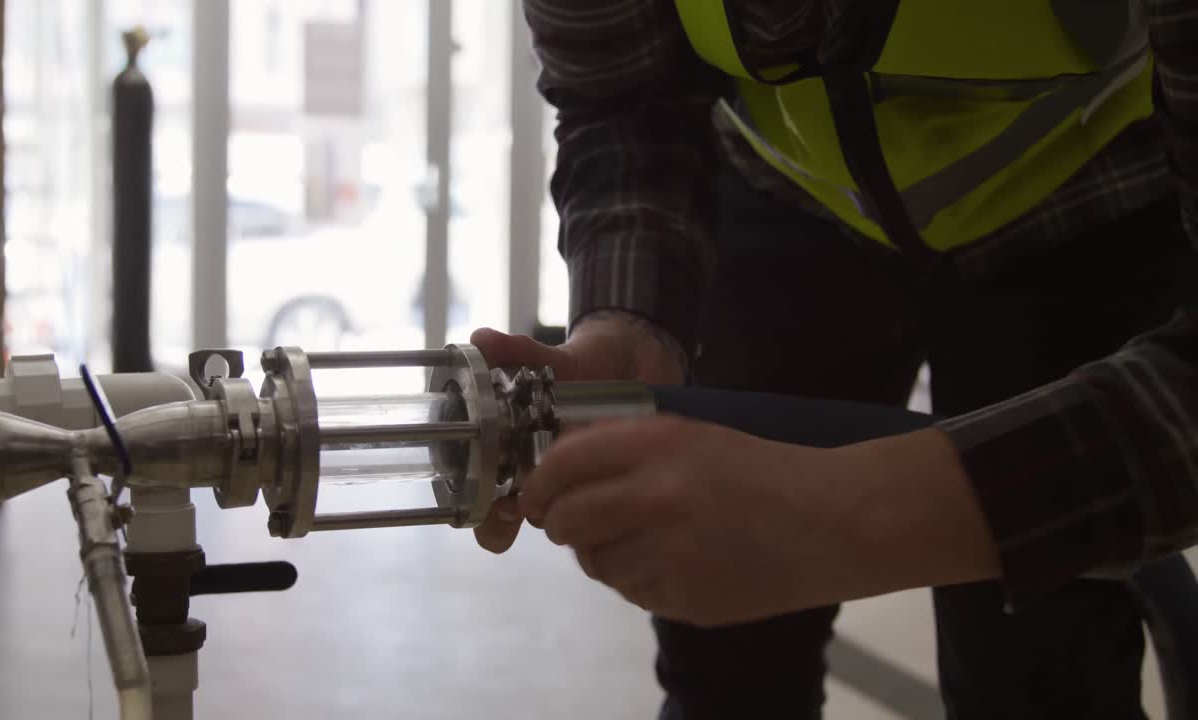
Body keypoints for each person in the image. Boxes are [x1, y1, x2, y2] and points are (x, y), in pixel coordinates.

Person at [470, 1, 1198, 718]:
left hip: (1086, 196)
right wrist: (629, 323)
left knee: (1039, 664)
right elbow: (624, 97)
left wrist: (858, 515)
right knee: (726, 663)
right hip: (788, 189)